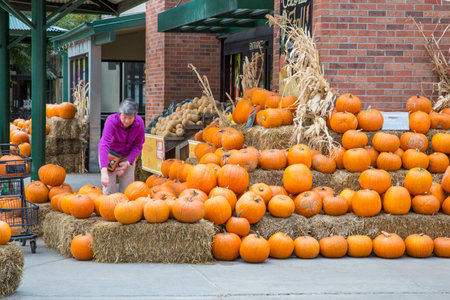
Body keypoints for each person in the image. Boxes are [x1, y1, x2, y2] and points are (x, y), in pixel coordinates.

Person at [98, 99, 145, 194]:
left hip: (127, 155)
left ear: (135, 116)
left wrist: (128, 162)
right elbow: (104, 144)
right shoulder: (111, 121)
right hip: (110, 154)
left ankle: (125, 207)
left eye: (130, 118)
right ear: (120, 114)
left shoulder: (139, 123)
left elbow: (138, 144)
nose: (127, 121)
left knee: (128, 190)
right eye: (124, 117)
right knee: (109, 189)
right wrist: (104, 172)